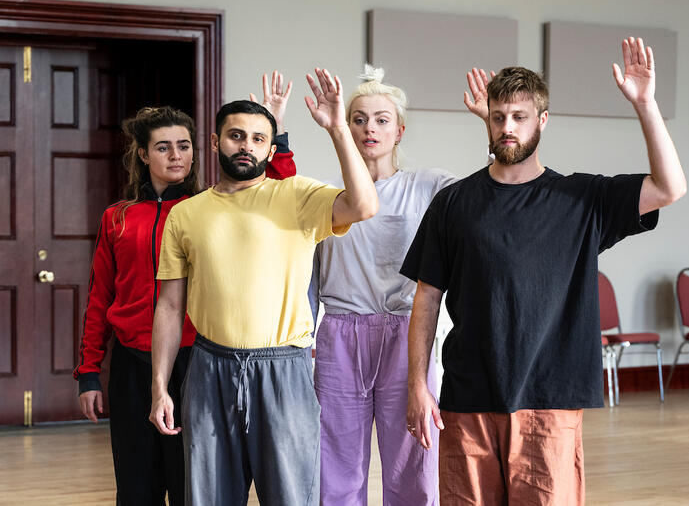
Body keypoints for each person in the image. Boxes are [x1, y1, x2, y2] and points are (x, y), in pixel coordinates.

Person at [402, 37, 686, 506]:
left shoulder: (581, 199)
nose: (507, 128)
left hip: (549, 400)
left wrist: (646, 104)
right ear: (486, 120)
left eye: (519, 117)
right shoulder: (454, 203)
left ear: (543, 120)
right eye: (498, 118)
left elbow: (669, 187)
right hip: (467, 397)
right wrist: (416, 383)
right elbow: (427, 296)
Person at [149, 68, 378, 506]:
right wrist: (160, 387)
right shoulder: (185, 214)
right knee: (207, 498)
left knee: (293, 497)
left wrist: (336, 129)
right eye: (236, 135)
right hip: (209, 369)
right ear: (215, 143)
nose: (246, 146)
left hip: (284, 371)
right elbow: (169, 307)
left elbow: (364, 204)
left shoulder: (296, 196)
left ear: (271, 148)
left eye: (258, 139)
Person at [73, 72, 296, 506]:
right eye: (163, 146)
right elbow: (100, 298)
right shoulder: (117, 218)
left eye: (185, 145)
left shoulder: (210, 207)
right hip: (132, 366)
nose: (176, 155)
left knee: (193, 481)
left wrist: (278, 133)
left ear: (200, 149)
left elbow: (283, 193)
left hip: (197, 361)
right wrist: (88, 372)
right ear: (143, 154)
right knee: (136, 486)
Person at [308, 65, 457, 505]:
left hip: (407, 333)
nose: (369, 128)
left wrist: (490, 122)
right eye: (358, 118)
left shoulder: (430, 186)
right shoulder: (323, 195)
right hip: (340, 334)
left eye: (381, 119)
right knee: (334, 460)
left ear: (399, 131)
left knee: (412, 457)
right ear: (344, 125)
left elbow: (488, 196)